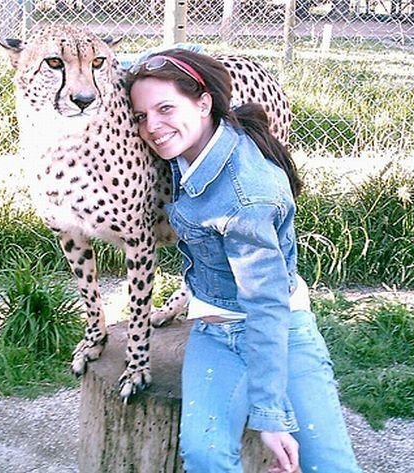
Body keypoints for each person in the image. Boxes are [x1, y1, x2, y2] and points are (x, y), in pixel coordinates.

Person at [125, 50, 362, 473]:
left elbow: (267, 305)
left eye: (165, 109)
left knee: (330, 465)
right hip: (216, 332)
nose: (152, 128)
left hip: (279, 329)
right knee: (205, 453)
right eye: (142, 116)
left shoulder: (246, 196)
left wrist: (270, 416)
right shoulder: (195, 143)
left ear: (204, 102)